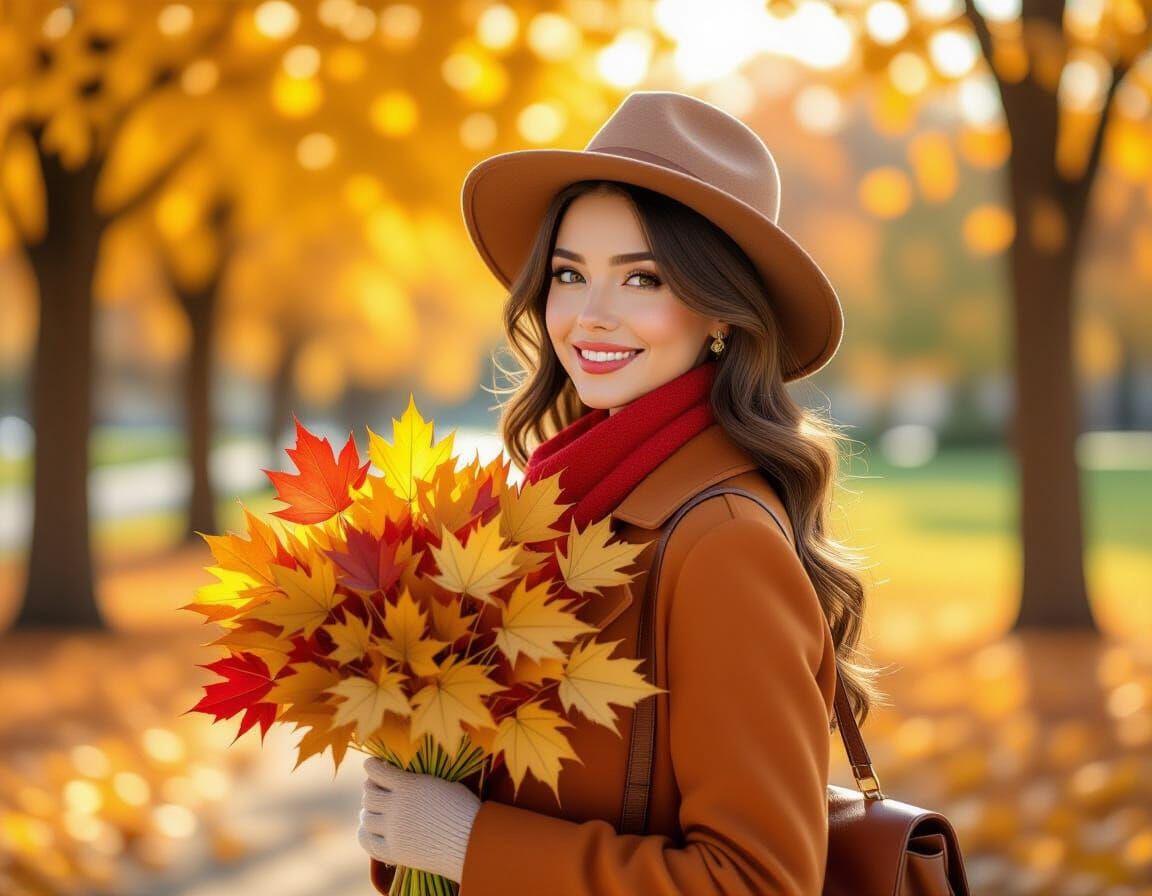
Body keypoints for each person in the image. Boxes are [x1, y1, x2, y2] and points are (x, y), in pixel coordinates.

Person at [356, 89, 881, 895]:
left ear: (722, 316)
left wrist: (470, 843)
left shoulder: (724, 542)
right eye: (570, 274)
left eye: (643, 279)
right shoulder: (570, 504)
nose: (590, 317)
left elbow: (760, 882)